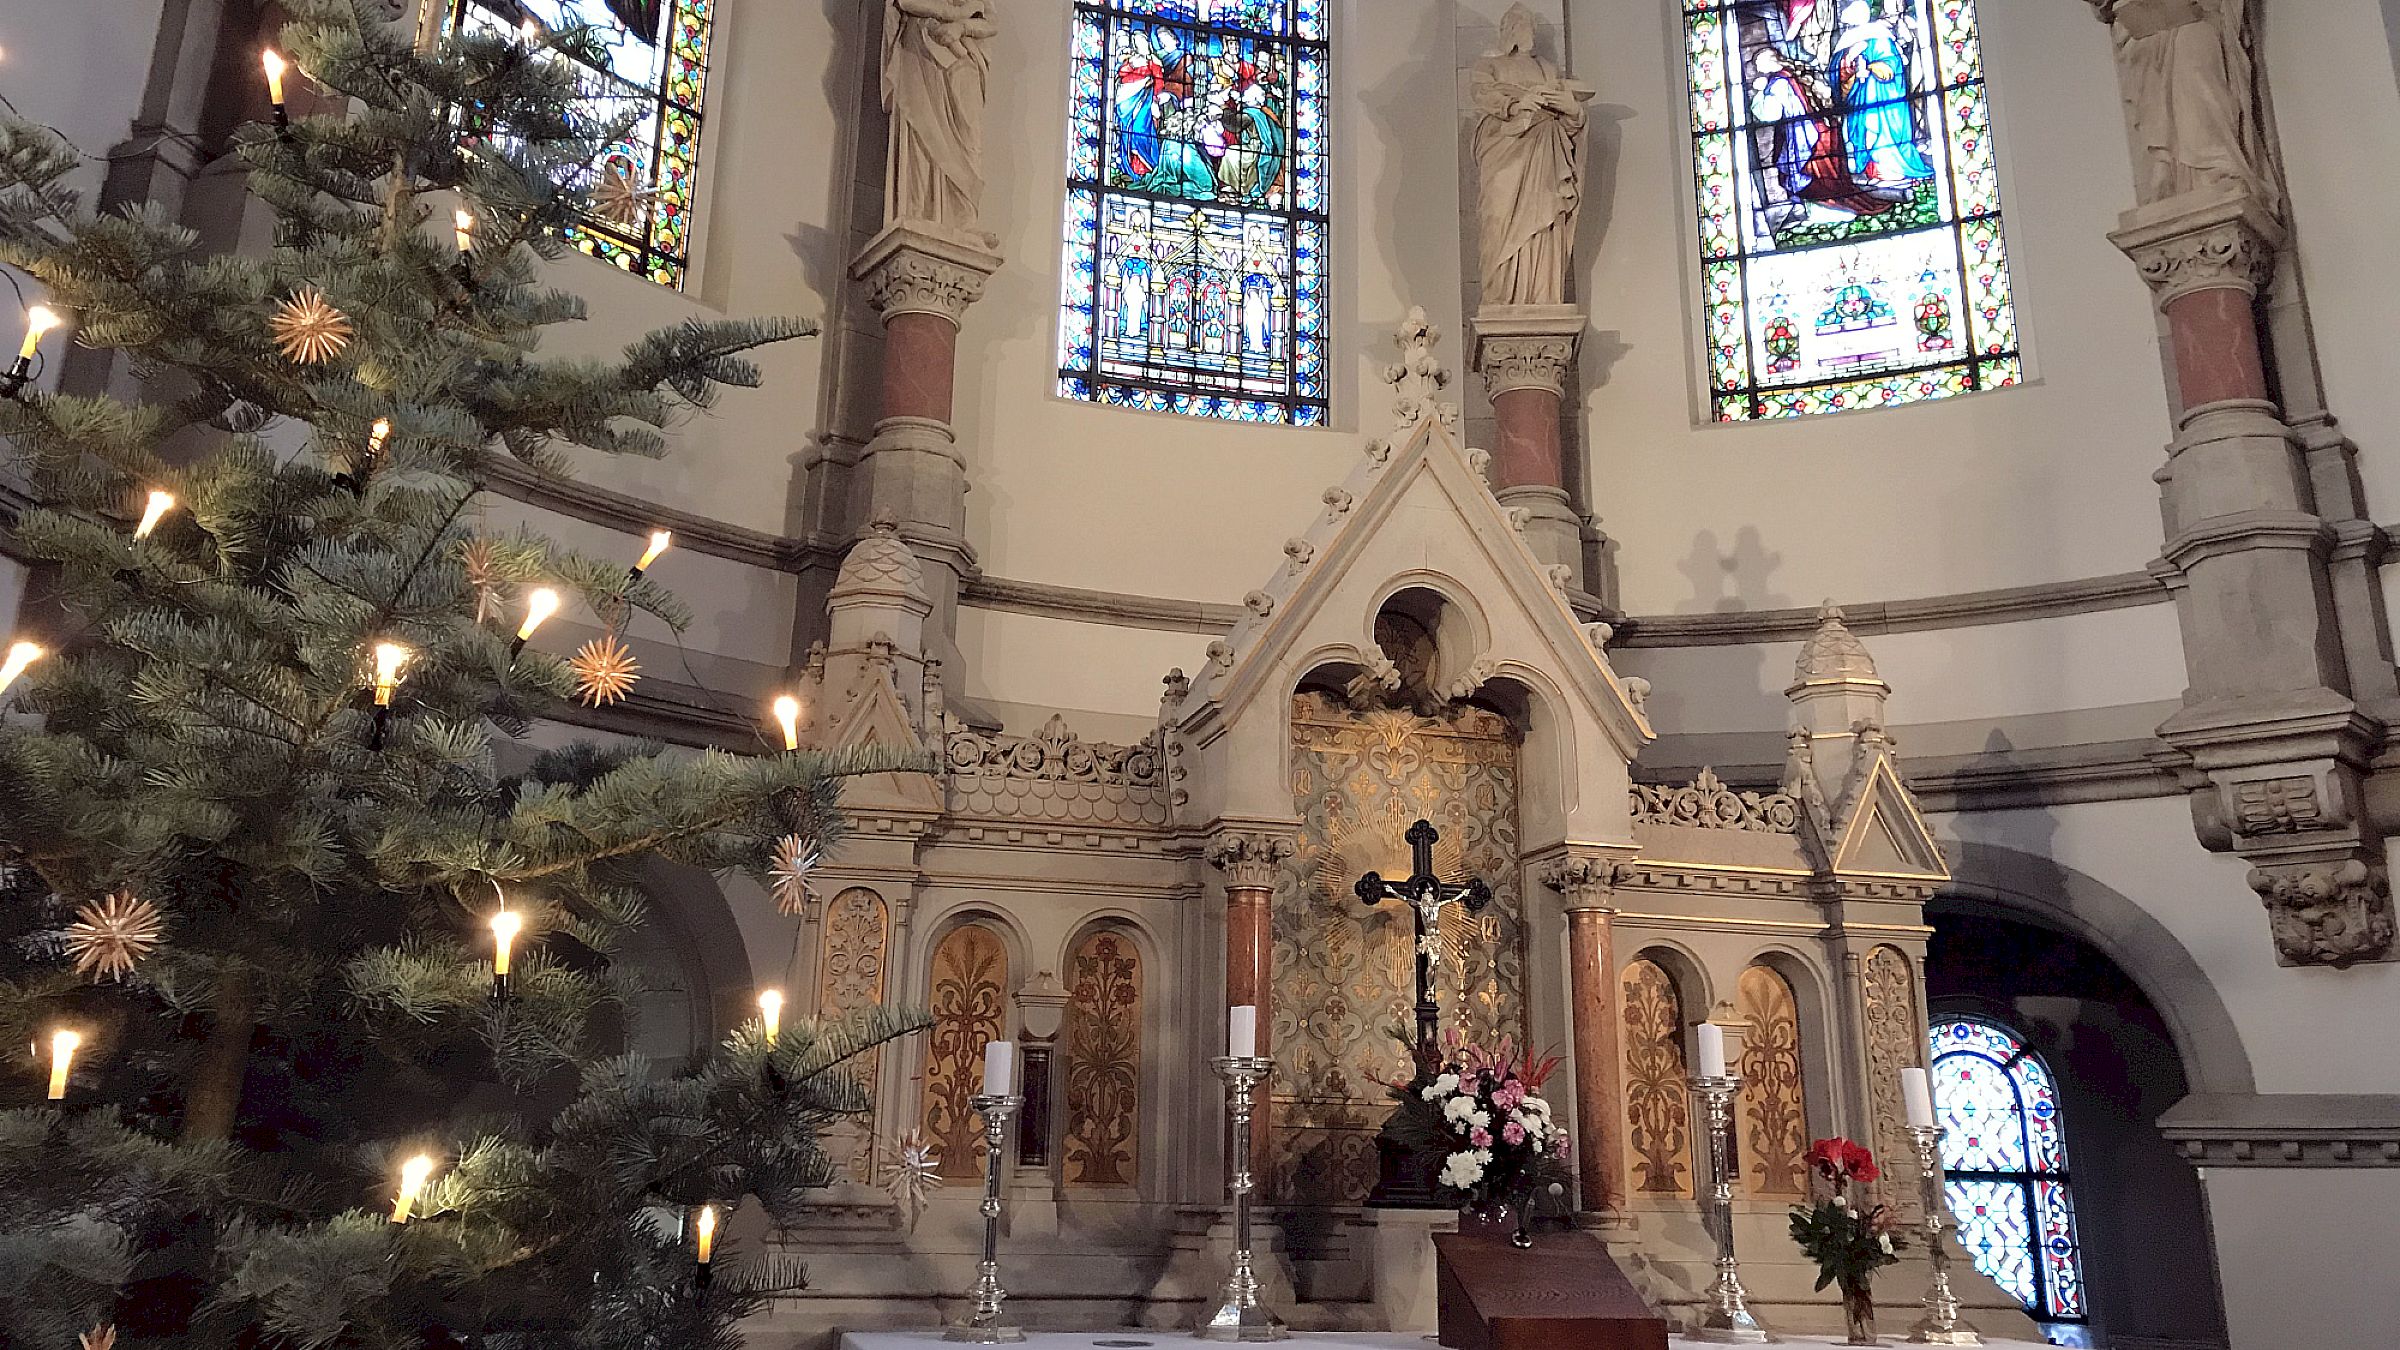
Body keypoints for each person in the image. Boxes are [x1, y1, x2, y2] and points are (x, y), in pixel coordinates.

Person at [1834, 2, 1934, 189]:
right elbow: (1837, 72)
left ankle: (1894, 174)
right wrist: (1850, 66)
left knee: (1880, 133)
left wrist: (1871, 67)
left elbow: (1891, 67)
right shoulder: (1847, 41)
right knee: (1866, 134)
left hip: (1882, 99)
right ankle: (1874, 173)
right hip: (1860, 99)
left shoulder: (1880, 37)